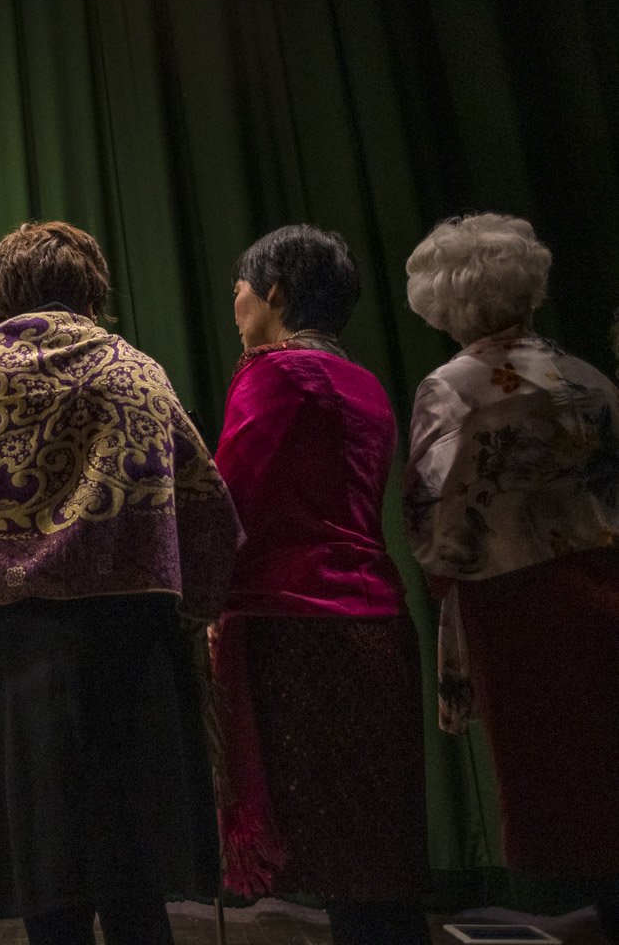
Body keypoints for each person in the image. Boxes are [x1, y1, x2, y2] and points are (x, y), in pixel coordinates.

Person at [0, 222, 239, 945]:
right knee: (134, 884)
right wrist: (193, 606)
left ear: (4, 291)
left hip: (20, 652)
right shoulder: (136, 372)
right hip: (134, 651)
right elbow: (208, 509)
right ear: (93, 289)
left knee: (48, 885)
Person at [211, 225, 429, 944]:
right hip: (376, 621)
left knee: (339, 853)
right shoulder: (363, 382)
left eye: (242, 289)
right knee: (374, 850)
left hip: (298, 630)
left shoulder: (274, 374)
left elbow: (229, 505)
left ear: (276, 293)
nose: (234, 304)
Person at [403, 214, 619, 938]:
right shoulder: (588, 379)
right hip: (604, 587)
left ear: (445, 301)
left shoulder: (455, 388)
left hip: (517, 603)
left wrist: (450, 567)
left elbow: (435, 516)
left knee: (554, 792)